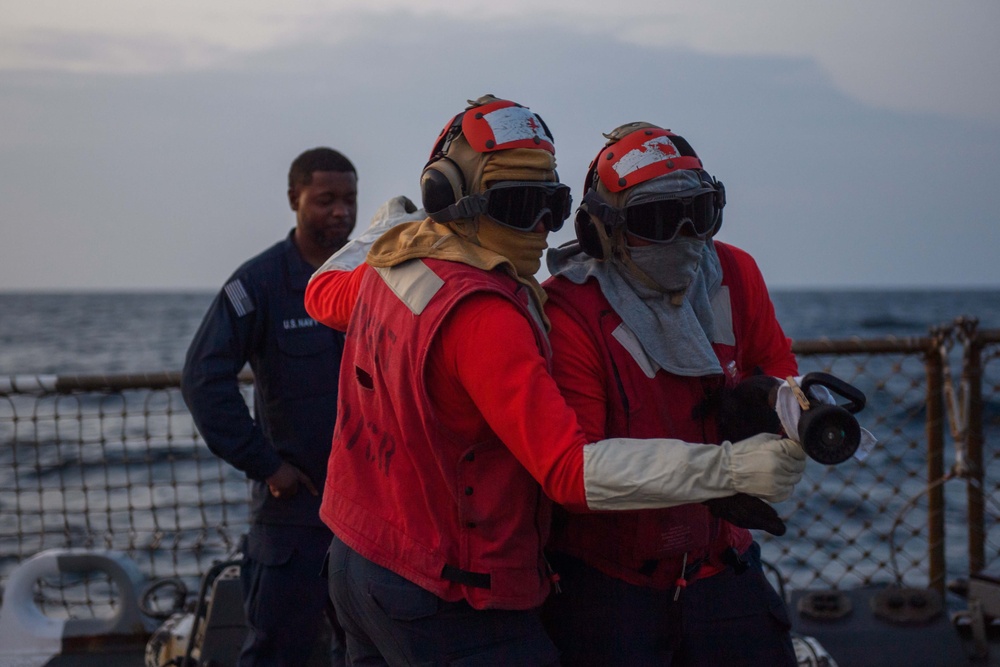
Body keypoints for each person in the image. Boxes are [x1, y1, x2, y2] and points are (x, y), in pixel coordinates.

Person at [304, 96, 806, 666]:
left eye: (551, 204)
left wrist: (399, 229)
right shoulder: (490, 315)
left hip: (358, 559)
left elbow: (322, 288)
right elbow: (569, 471)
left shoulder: (392, 270)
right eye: (519, 206)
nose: (543, 227)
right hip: (450, 587)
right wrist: (729, 470)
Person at [540, 122, 800, 665]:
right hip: (612, 581)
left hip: (719, 563)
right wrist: (723, 469)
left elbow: (782, 374)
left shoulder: (735, 273)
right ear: (602, 230)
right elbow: (577, 467)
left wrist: (778, 412)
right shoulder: (570, 309)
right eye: (656, 220)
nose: (684, 237)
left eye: (698, 215)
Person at [181, 147, 357, 666]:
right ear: (293, 199)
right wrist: (267, 466)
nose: (341, 212)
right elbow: (203, 378)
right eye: (325, 200)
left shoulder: (373, 277)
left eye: (349, 199)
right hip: (292, 518)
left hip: (370, 517)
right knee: (277, 654)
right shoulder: (256, 284)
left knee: (372, 653)